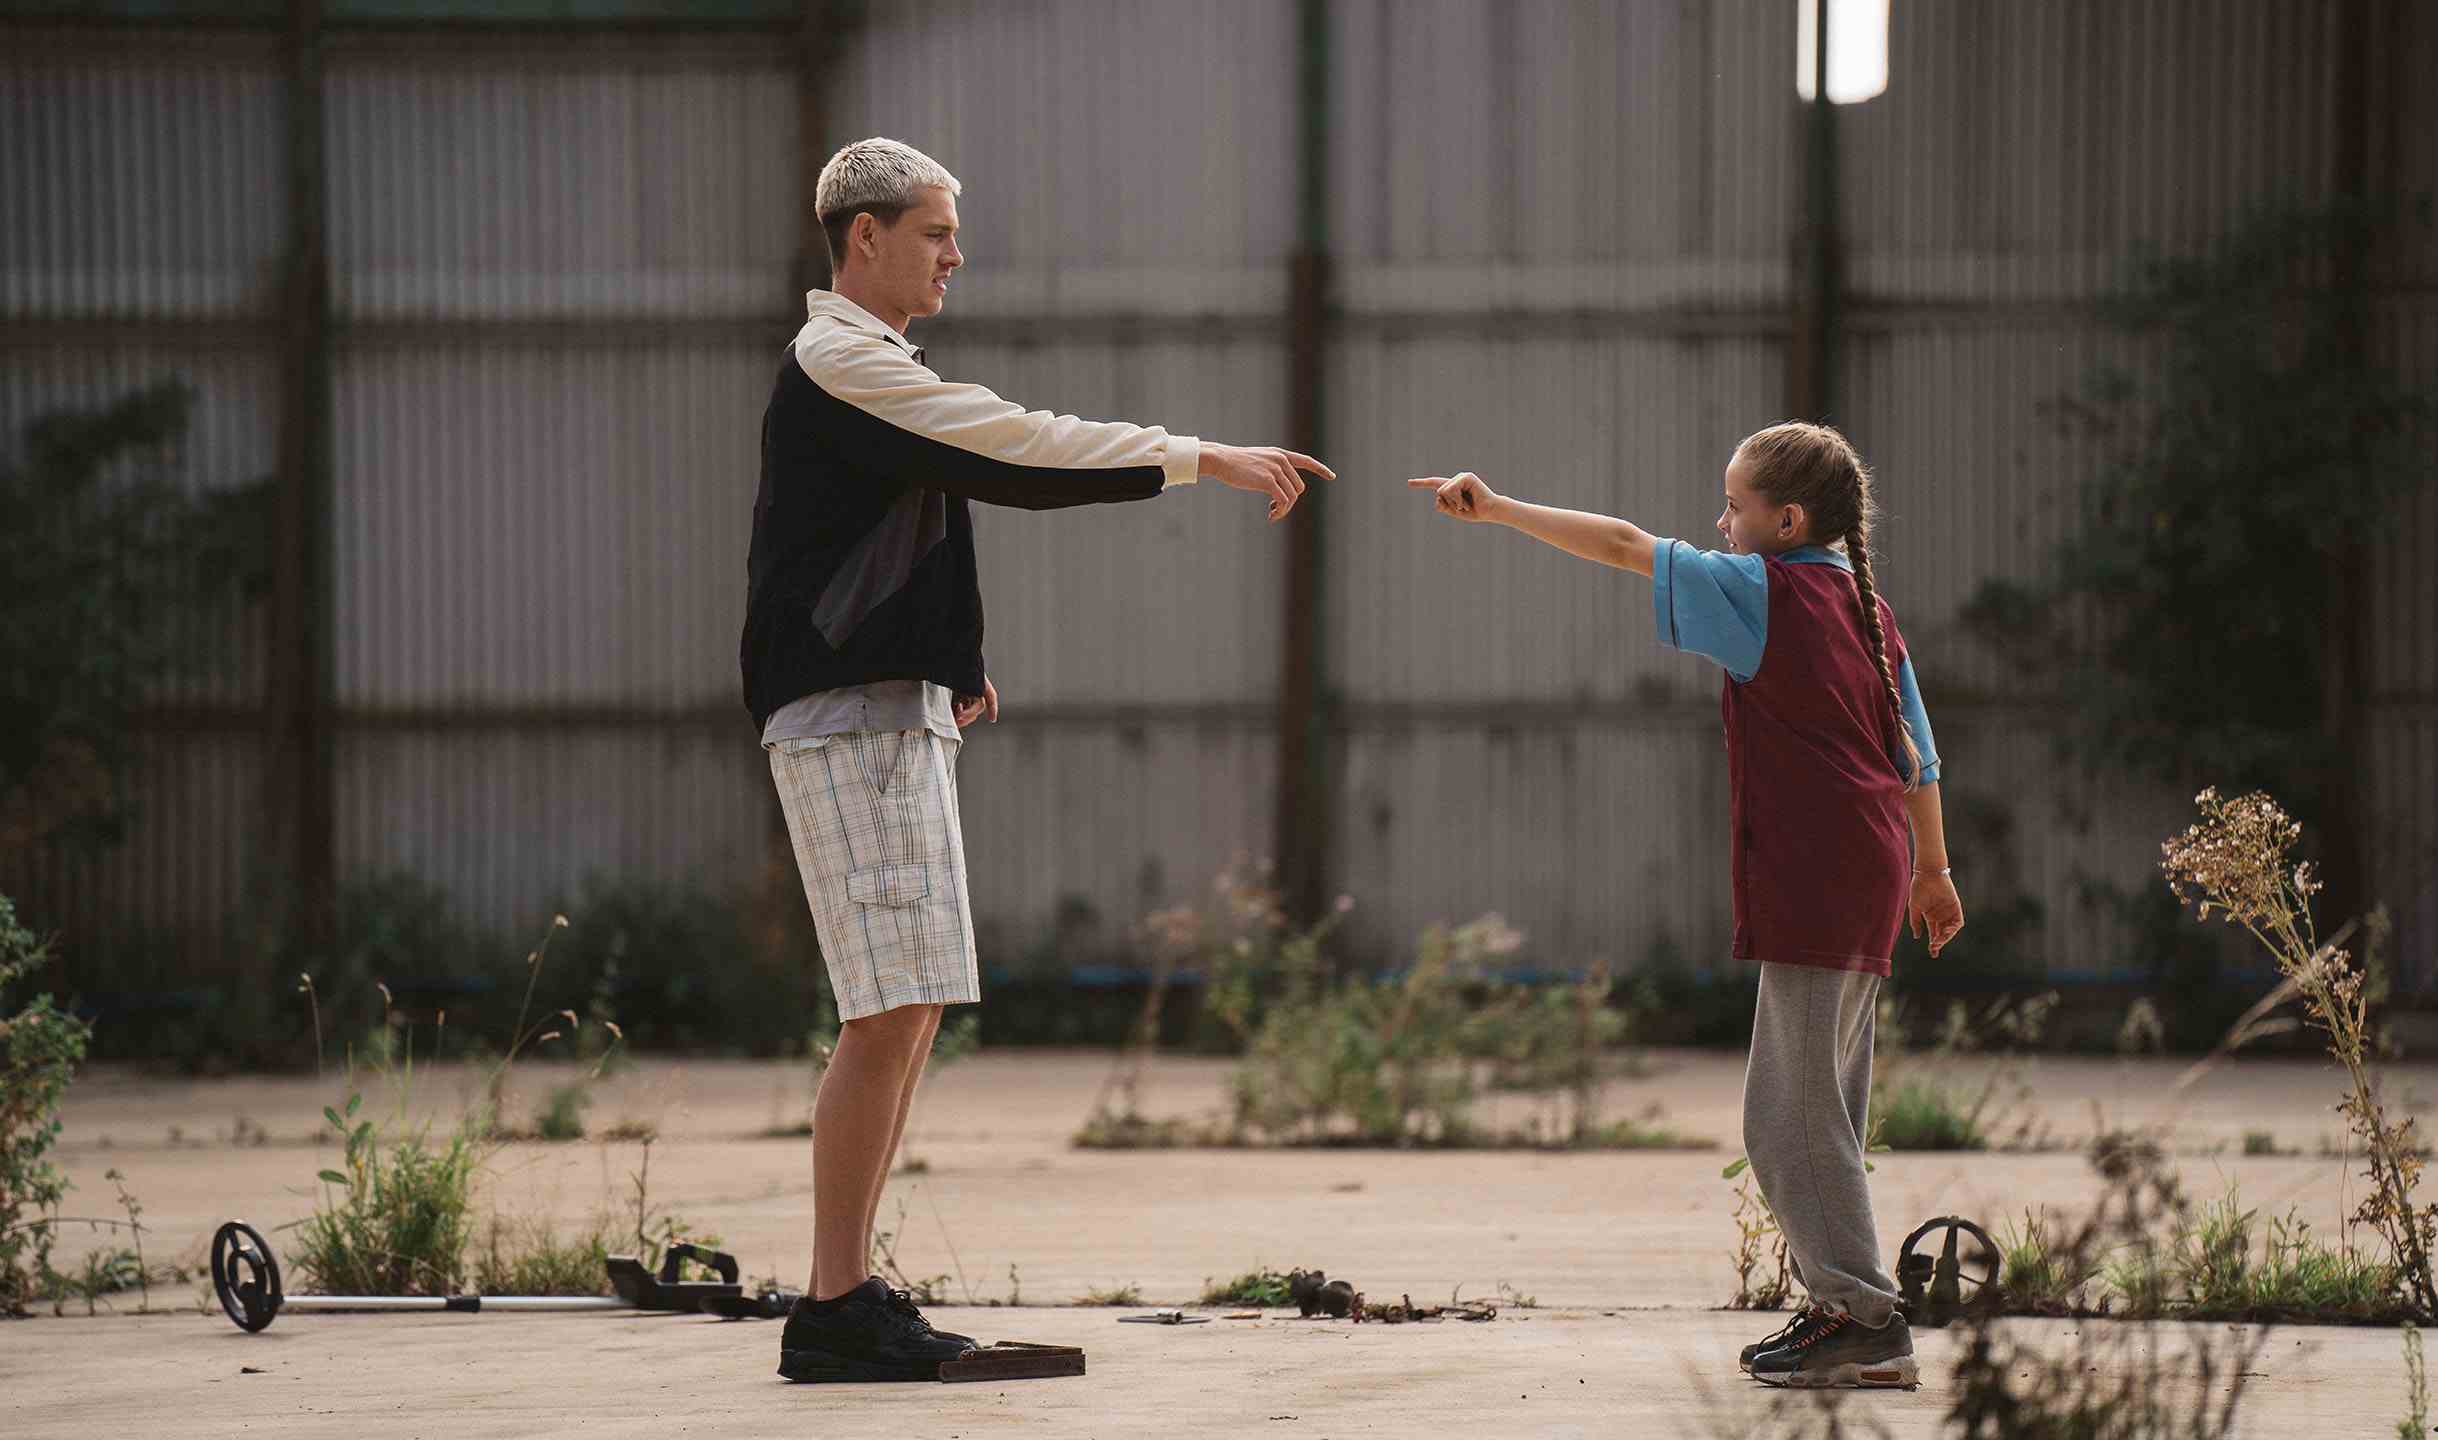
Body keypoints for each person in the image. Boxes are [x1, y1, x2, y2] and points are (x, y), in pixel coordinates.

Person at [743, 137, 1332, 1383]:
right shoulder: (842, 360)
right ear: (865, 239)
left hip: (886, 706)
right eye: (935, 231)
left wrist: (944, 656)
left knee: (910, 1005)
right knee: (884, 1007)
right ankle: (834, 1302)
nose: (957, 253)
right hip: (845, 717)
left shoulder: (874, 369)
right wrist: (1197, 456)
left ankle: (849, 1294)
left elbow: (892, 525)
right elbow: (1008, 449)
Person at [1406, 421, 1964, 1389]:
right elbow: (1920, 750)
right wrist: (1933, 870)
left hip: (1818, 871)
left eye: (1734, 507)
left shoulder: (1762, 590)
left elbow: (1625, 545)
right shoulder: (1865, 607)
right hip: (1868, 867)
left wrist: (1496, 508)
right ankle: (1842, 1306)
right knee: (1818, 1106)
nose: (1719, 522)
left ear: (1784, 521)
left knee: (1786, 1120)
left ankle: (1864, 1320)